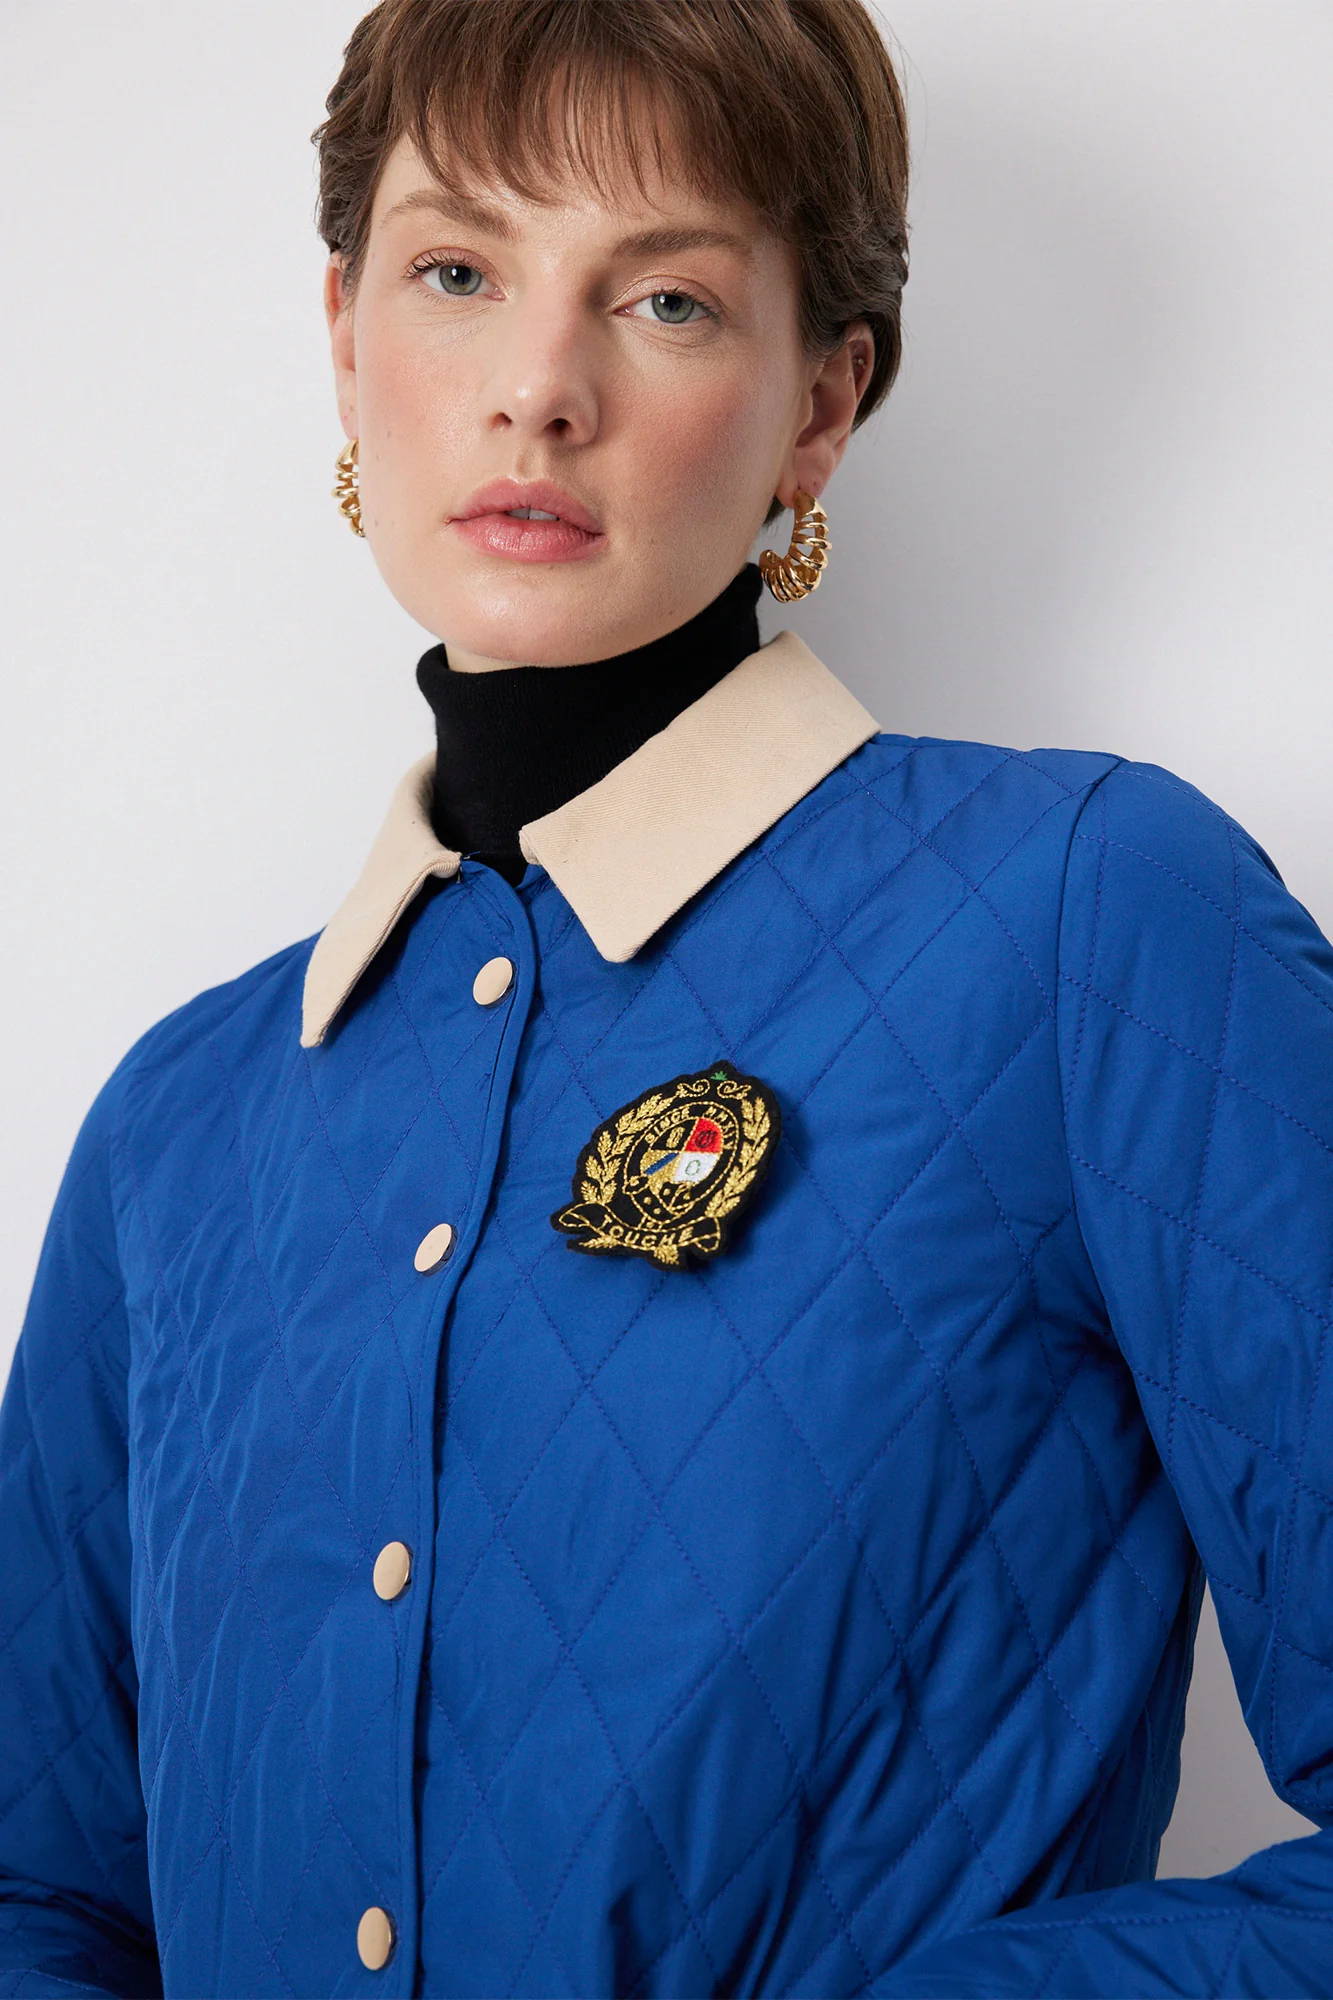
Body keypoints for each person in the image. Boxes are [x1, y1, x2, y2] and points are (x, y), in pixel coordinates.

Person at [2, 0, 1331, 1994]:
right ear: (346, 332)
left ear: (820, 406)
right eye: (460, 274)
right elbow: (41, 1893)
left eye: (668, 302)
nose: (538, 391)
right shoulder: (173, 1129)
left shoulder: (1091, 921)